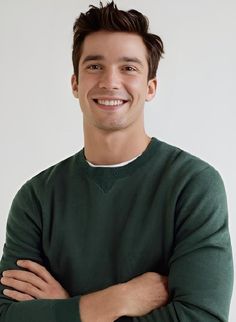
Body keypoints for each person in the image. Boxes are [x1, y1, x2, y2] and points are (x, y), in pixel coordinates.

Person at [0, 1, 233, 321]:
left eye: (129, 67)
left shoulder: (192, 185)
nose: (110, 81)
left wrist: (65, 309)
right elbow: (9, 315)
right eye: (94, 66)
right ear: (75, 84)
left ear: (150, 87)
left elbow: (201, 317)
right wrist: (114, 301)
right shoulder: (36, 198)